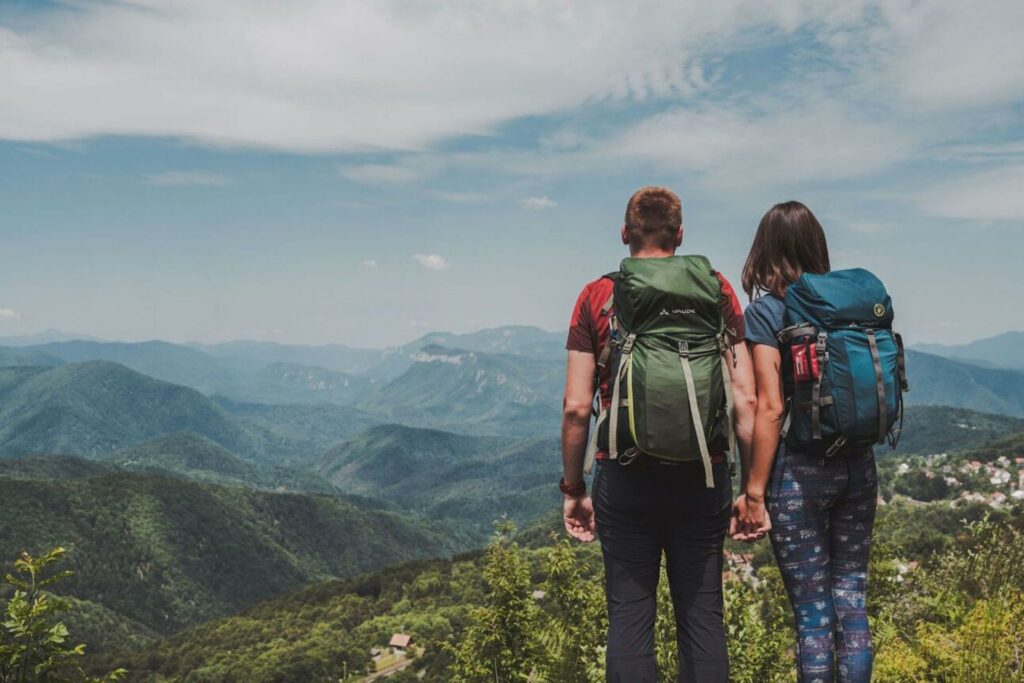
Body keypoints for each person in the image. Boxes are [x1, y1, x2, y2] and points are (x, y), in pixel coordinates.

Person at [560, 186, 757, 683]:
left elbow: (577, 408)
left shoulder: (597, 296)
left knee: (629, 618)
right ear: (681, 235)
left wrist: (573, 489)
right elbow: (746, 400)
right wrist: (753, 491)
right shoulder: (717, 289)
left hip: (624, 477)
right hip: (703, 477)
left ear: (624, 233)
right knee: (703, 616)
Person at [734, 201, 878, 682]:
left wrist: (754, 492)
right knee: (851, 601)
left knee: (814, 615)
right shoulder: (846, 308)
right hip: (859, 466)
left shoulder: (766, 311)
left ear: (764, 249)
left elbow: (769, 407)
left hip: (799, 475)